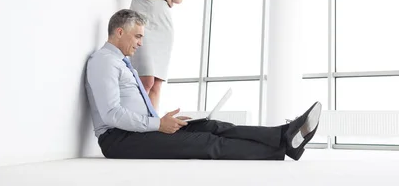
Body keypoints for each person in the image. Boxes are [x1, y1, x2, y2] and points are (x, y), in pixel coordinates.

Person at [85, 9, 322, 160]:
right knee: (206, 143)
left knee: (212, 126)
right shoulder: (103, 62)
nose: (141, 43)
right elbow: (112, 114)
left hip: (140, 129)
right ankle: (283, 148)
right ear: (119, 32)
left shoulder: (122, 62)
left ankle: (284, 133)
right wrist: (157, 124)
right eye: (138, 36)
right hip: (119, 140)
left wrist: (160, 120)